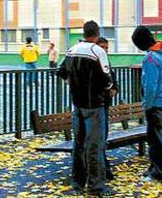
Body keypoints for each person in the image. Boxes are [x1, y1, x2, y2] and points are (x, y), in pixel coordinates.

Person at [57, 21, 114, 196]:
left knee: (79, 144)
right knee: (95, 146)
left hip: (77, 104)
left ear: (84, 32)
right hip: (94, 105)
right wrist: (105, 88)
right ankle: (96, 187)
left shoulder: (71, 50)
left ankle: (77, 182)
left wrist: (73, 85)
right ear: (97, 33)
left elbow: (61, 71)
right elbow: (107, 80)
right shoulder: (97, 52)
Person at [131, 25, 162, 182]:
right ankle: (153, 168)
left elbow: (150, 86)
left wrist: (146, 104)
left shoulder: (150, 59)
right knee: (157, 136)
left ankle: (158, 172)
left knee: (155, 140)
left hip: (155, 103)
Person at [96, 36, 118, 180]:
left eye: (106, 48)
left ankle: (104, 167)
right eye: (102, 47)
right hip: (98, 103)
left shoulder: (105, 60)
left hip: (105, 103)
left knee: (103, 136)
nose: (105, 50)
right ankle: (104, 168)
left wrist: (115, 88)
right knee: (100, 137)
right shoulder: (94, 61)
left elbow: (112, 77)